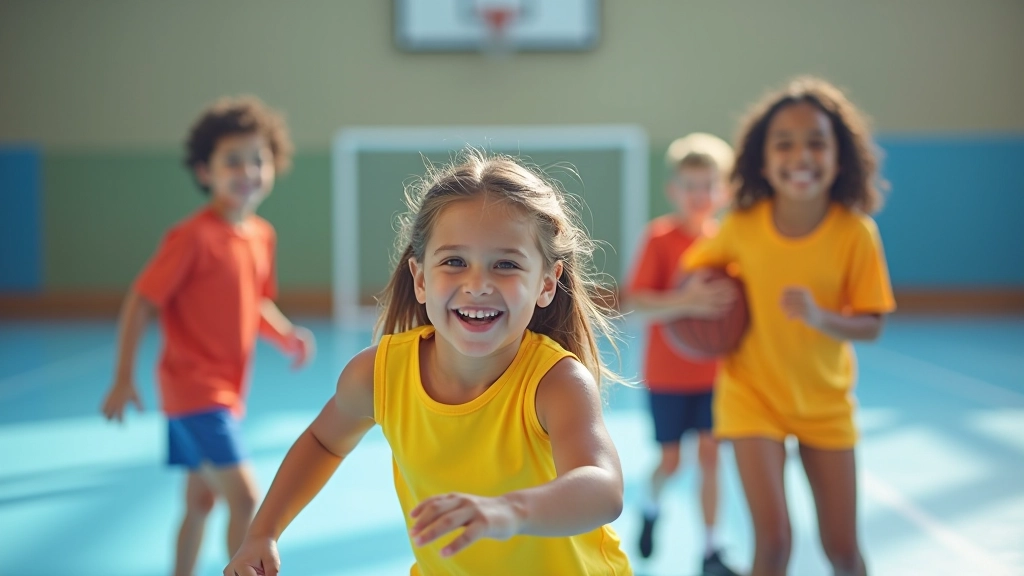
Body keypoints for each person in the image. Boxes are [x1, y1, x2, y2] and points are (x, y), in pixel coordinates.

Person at [224, 151, 633, 576]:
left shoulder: (556, 382)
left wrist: (510, 511)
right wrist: (263, 532)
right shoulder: (378, 374)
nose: (478, 284)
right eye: (454, 262)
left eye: (506, 264)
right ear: (420, 278)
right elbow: (323, 442)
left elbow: (603, 490)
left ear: (546, 284)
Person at [683, 76, 895, 576]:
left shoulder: (855, 232)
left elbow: (872, 326)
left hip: (825, 401)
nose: (801, 155)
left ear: (839, 159)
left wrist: (822, 317)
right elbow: (691, 279)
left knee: (842, 549)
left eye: (816, 143)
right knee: (774, 541)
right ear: (762, 162)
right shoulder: (741, 224)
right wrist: (692, 299)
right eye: (785, 144)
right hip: (752, 394)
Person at [100, 95, 316, 576]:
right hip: (194, 391)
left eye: (257, 159)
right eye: (232, 161)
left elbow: (254, 300)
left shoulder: (261, 235)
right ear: (205, 172)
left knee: (200, 500)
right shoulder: (192, 238)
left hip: (225, 390)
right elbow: (142, 300)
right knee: (247, 499)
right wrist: (122, 376)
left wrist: (285, 336)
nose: (247, 170)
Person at [624, 132, 742, 576]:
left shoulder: (730, 244)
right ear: (674, 189)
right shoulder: (660, 238)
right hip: (668, 374)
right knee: (671, 461)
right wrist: (687, 303)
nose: (700, 195)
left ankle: (712, 550)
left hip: (717, 375)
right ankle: (650, 506)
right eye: (690, 185)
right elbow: (636, 302)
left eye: (709, 185)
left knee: (712, 456)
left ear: (724, 191)